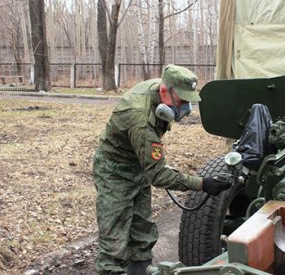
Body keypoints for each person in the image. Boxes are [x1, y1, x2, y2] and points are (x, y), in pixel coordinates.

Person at [93, 64, 231, 275]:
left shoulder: (158, 91)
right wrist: (203, 184)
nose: (185, 108)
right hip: (115, 172)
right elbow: (158, 175)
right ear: (165, 92)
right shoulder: (141, 119)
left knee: (142, 231)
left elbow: (151, 162)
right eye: (182, 101)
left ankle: (139, 270)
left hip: (137, 166)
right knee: (114, 240)